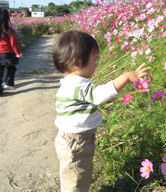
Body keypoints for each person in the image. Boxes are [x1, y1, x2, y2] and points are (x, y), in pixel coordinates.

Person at [52, 30, 150, 192]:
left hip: (75, 140)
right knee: (75, 180)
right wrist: (125, 77)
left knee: (76, 176)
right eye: (94, 59)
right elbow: (98, 96)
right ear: (77, 62)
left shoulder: (72, 82)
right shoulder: (78, 84)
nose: (96, 64)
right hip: (76, 143)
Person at [0, 8, 24, 93]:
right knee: (11, 68)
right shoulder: (9, 30)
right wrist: (18, 53)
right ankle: (9, 84)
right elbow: (13, 44)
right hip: (7, 53)